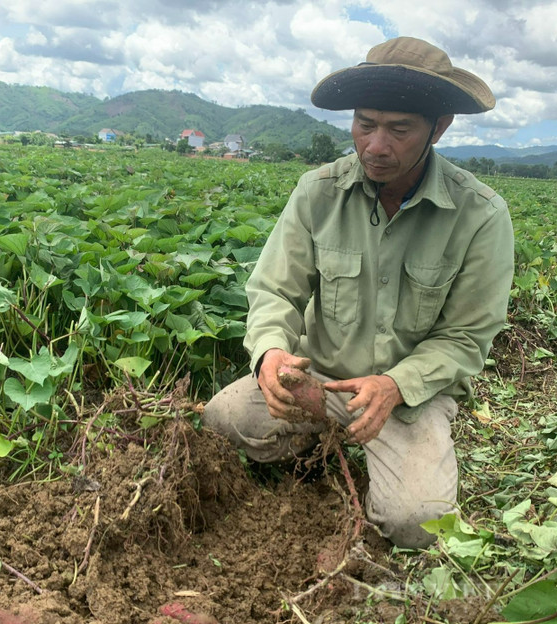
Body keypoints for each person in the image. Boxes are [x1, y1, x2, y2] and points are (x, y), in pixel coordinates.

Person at [202, 36, 514, 550]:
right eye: (365, 124)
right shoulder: (317, 192)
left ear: (439, 127)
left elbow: (466, 336)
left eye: (398, 129)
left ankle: (390, 451)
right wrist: (271, 351)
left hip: (406, 396)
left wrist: (395, 384)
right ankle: (323, 443)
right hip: (318, 382)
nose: (375, 145)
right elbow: (274, 289)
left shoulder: (480, 215)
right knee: (223, 419)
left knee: (418, 523)